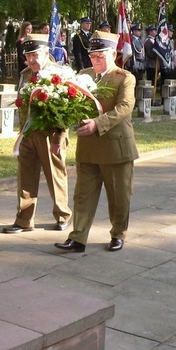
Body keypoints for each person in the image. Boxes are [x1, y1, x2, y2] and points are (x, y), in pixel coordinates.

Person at [55, 31, 138, 252]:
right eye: (92, 55)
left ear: (113, 53)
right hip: (88, 147)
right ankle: (78, 238)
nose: (95, 60)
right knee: (83, 195)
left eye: (100, 55)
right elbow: (70, 106)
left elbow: (124, 107)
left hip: (115, 147)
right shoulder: (84, 75)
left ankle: (118, 234)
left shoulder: (124, 78)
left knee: (119, 197)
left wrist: (97, 124)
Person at [3, 34, 72, 234]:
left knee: (55, 175)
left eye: (35, 55)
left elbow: (65, 110)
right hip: (28, 134)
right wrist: (22, 132)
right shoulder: (25, 74)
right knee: (25, 177)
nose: (31, 60)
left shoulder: (58, 73)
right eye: (28, 55)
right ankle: (24, 220)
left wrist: (59, 138)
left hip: (50, 135)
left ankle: (62, 215)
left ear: (45, 53)